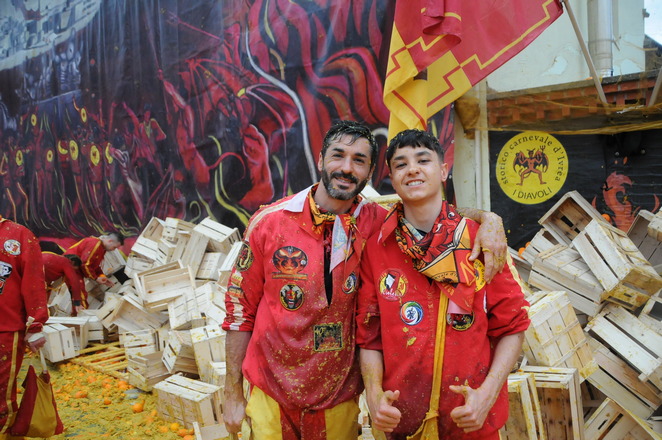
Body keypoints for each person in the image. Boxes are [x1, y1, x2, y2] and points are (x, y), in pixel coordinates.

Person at [222, 121, 508, 440]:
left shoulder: (378, 223)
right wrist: (232, 393)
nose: (347, 168)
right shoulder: (269, 223)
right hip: (270, 393)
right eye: (338, 155)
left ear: (370, 172)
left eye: (359, 160)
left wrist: (488, 219)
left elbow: (431, 213)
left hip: (338, 399)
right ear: (321, 160)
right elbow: (239, 311)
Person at [356, 129, 530, 440]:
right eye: (401, 164)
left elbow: (513, 326)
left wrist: (488, 394)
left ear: (443, 170)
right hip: (401, 424)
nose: (412, 169)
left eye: (423, 160)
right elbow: (369, 335)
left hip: (471, 422)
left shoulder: (481, 240)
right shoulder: (378, 246)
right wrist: (373, 393)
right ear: (392, 180)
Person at [0, 215, 48, 438]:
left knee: (1, 395)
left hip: (5, 329)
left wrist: (36, 324)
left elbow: (33, 281)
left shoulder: (19, 235)